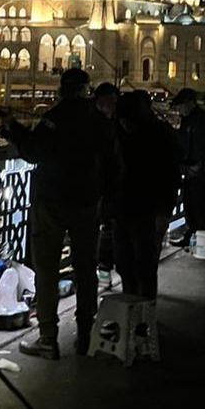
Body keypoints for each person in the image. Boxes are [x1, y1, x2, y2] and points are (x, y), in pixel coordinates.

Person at [4, 68, 109, 359]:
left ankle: (48, 338)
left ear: (62, 89)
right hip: (87, 201)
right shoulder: (98, 121)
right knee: (86, 268)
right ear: (86, 90)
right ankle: (86, 333)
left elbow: (33, 151)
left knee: (47, 269)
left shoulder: (55, 117)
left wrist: (13, 129)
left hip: (52, 200)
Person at [111, 91, 181, 300]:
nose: (124, 124)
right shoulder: (119, 133)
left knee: (145, 265)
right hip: (122, 207)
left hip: (148, 209)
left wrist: (164, 212)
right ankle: (131, 304)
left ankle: (144, 309)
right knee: (125, 264)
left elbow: (170, 176)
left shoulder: (160, 135)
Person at [169, 88, 205, 248]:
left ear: (190, 103)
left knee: (200, 206)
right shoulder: (189, 119)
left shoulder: (201, 120)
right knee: (190, 205)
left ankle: (203, 242)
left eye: (181, 106)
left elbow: (204, 147)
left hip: (201, 171)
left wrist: (198, 165)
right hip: (191, 169)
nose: (179, 110)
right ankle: (192, 237)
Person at [92, 83, 119, 286]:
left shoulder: (108, 125)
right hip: (104, 184)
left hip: (109, 184)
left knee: (107, 228)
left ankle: (104, 269)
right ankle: (103, 269)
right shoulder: (109, 125)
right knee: (106, 227)